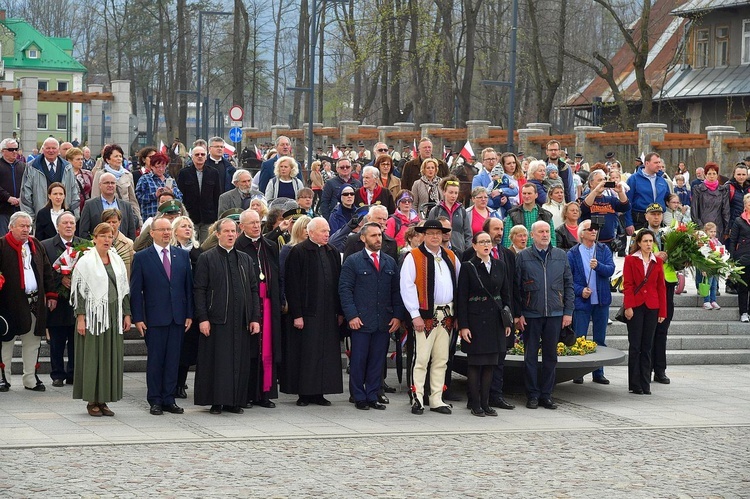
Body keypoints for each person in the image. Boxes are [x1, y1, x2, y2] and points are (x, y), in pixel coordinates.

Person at [193, 218, 261, 415]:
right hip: (217, 320)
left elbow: (253, 289)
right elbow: (200, 290)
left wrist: (254, 317)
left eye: (234, 231)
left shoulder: (245, 259)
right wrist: (203, 317)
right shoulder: (207, 258)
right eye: (227, 231)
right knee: (218, 362)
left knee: (239, 361)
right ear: (218, 234)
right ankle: (216, 401)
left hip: (241, 320)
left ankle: (235, 401)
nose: (231, 235)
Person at [130, 217, 194, 416]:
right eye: (162, 230)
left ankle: (169, 398)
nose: (166, 233)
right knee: (156, 360)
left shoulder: (181, 256)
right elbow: (136, 290)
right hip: (154, 318)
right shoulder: (142, 257)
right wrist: (138, 318)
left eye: (168, 229)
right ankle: (155, 399)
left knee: (173, 360)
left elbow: (188, 288)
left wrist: (189, 314)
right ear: (152, 233)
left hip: (177, 317)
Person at [339, 223, 405, 411]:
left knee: (377, 361)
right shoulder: (353, 261)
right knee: (359, 360)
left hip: (383, 320)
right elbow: (345, 290)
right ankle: (358, 395)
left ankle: (373, 394)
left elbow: (396, 292)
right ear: (363, 238)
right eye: (374, 235)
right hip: (361, 320)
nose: (378, 239)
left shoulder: (389, 262)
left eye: (380, 235)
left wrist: (398, 316)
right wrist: (351, 315)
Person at [399, 219, 460, 415]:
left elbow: (459, 283)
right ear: (423, 235)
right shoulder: (413, 257)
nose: (435, 237)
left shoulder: (451, 256)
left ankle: (436, 398)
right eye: (431, 233)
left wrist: (458, 312)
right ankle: (417, 398)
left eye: (438, 233)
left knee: (441, 359)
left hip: (447, 314)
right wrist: (414, 314)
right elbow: (407, 287)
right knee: (421, 358)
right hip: (424, 315)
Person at [70, 222, 130, 416]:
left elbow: (124, 290)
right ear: (94, 238)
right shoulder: (86, 261)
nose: (107, 239)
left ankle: (104, 399)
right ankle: (91, 400)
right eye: (102, 235)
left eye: (110, 236)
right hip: (93, 316)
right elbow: (79, 291)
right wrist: (81, 318)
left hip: (112, 315)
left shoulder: (117, 260)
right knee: (93, 357)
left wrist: (127, 314)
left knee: (109, 357)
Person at [283, 218, 344, 406]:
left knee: (325, 354)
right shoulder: (298, 252)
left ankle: (320, 392)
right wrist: (297, 314)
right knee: (306, 354)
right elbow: (292, 285)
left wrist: (340, 311)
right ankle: (304, 393)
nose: (327, 234)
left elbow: (339, 284)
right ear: (310, 232)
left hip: (328, 314)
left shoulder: (332, 252)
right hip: (307, 314)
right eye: (323, 231)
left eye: (328, 230)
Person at [514, 220, 574, 410]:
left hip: (555, 314)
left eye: (547, 231)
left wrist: (568, 312)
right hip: (531, 314)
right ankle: (532, 395)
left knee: (551, 357)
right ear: (532, 235)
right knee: (530, 356)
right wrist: (518, 314)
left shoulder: (560, 255)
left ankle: (546, 395)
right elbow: (516, 288)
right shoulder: (523, 257)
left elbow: (568, 285)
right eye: (541, 231)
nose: (545, 234)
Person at [456, 231, 512, 417]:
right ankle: (475, 402)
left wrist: (507, 320)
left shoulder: (500, 265)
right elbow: (461, 298)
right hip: (475, 320)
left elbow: (506, 295)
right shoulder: (468, 266)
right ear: (474, 245)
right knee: (475, 363)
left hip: (495, 320)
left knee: (490, 363)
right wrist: (463, 325)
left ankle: (486, 402)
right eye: (482, 242)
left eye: (488, 242)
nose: (486, 245)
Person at [0, 212, 57, 392]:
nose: (26, 229)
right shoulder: (1, 245)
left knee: (33, 342)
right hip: (8, 303)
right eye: (22, 226)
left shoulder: (36, 244)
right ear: (11, 227)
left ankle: (30, 378)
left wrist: (51, 294)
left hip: (34, 301)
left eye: (28, 226)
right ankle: (3, 378)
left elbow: (47, 270)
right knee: (5, 342)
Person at [235, 209, 282, 409]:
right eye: (251, 223)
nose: (256, 226)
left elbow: (277, 274)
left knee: (267, 349)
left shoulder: (269, 246)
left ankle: (264, 393)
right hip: (249, 304)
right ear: (241, 226)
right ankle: (245, 393)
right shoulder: (238, 246)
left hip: (268, 303)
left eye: (258, 222)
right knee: (250, 350)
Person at [568, 219, 615, 384]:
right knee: (580, 337)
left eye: (595, 229)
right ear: (582, 233)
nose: (594, 231)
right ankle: (578, 372)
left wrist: (599, 266)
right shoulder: (573, 253)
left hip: (601, 301)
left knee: (599, 338)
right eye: (590, 229)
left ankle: (598, 372)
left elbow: (611, 269)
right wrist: (581, 290)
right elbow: (568, 280)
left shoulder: (603, 249)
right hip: (582, 302)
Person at [622, 229, 667, 395]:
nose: (648, 244)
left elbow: (661, 287)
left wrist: (663, 311)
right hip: (636, 305)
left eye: (651, 241)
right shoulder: (630, 260)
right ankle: (635, 384)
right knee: (635, 345)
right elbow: (627, 285)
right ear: (639, 243)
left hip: (652, 307)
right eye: (645, 241)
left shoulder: (658, 262)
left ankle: (645, 382)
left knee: (647, 345)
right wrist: (628, 306)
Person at [41, 212, 82, 387]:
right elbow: (44, 271)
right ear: (58, 226)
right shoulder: (47, 245)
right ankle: (57, 374)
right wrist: (61, 279)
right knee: (56, 341)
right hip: (57, 301)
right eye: (65, 223)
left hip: (78, 301)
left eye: (72, 223)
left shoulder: (84, 245)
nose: (69, 226)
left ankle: (73, 373)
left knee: (75, 340)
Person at [21, 137, 80, 222]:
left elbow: (74, 192)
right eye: (48, 148)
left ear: (58, 150)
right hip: (40, 219)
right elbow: (25, 195)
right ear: (43, 149)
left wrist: (73, 216)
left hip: (64, 219)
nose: (51, 151)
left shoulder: (68, 167)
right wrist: (31, 219)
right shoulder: (32, 167)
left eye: (54, 148)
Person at [176, 146, 221, 242]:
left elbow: (217, 196)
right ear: (192, 157)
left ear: (206, 157)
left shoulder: (213, 173)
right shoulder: (184, 173)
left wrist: (216, 216)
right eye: (197, 154)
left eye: (202, 154)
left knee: (206, 246)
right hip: (190, 217)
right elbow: (180, 196)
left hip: (208, 217)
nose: (200, 156)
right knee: (190, 244)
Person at [79, 172, 139, 240]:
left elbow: (131, 232)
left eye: (113, 183)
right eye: (106, 183)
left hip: (122, 248)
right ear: (100, 185)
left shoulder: (126, 206)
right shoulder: (90, 205)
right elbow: (83, 232)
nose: (110, 185)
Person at [90, 144, 141, 225]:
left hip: (124, 216)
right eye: (116, 156)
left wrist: (139, 219)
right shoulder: (100, 174)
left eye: (120, 156)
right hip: (106, 216)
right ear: (108, 159)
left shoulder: (127, 175)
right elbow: (95, 196)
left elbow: (132, 199)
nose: (119, 159)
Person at [427, 176, 472, 258]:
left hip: (459, 251)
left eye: (456, 193)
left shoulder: (462, 211)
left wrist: (467, 251)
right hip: (439, 251)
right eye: (451, 192)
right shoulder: (436, 211)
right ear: (444, 192)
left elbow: (468, 233)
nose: (453, 196)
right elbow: (429, 231)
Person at [502, 183, 556, 248]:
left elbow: (552, 238)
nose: (526, 196)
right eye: (524, 193)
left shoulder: (546, 215)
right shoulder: (512, 214)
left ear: (536, 195)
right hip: (519, 253)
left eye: (529, 193)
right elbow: (508, 238)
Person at [626, 152, 670, 231]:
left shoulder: (662, 181)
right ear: (647, 163)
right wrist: (628, 223)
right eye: (656, 162)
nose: (659, 165)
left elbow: (668, 199)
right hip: (640, 220)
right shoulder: (633, 179)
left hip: (658, 220)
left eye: (659, 162)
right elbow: (627, 203)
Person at [135, 152, 183, 221]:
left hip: (169, 218)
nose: (160, 169)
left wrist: (172, 192)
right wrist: (155, 195)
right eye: (158, 167)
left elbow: (180, 198)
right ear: (152, 166)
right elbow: (138, 198)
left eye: (163, 167)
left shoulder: (170, 179)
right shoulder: (145, 179)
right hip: (151, 217)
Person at [692, 162, 730, 238]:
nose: (711, 176)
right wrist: (700, 227)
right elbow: (694, 210)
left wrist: (726, 230)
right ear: (705, 175)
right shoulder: (698, 190)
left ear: (717, 175)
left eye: (714, 173)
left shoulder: (723, 190)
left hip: (718, 228)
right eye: (709, 174)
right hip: (702, 227)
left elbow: (726, 211)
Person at [728, 193, 750, 322]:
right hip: (743, 258)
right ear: (745, 206)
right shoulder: (738, 221)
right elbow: (733, 240)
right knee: (743, 287)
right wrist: (732, 258)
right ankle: (743, 312)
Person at [0, 138, 24, 236]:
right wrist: (8, 198)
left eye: (16, 149)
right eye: (10, 150)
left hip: (19, 210)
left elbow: (27, 185)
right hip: (2, 210)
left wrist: (21, 198)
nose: (14, 152)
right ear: (3, 151)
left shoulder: (23, 166)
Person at [102, 208, 135, 278]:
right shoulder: (95, 244)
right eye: (108, 222)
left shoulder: (128, 243)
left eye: (114, 222)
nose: (111, 224)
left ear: (119, 222)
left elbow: (132, 268)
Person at [699, 222, 722, 310]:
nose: (713, 233)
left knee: (714, 285)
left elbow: (721, 250)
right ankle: (706, 301)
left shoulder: (717, 241)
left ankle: (713, 300)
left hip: (715, 267)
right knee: (707, 284)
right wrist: (703, 269)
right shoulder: (704, 242)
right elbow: (701, 255)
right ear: (706, 232)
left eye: (714, 231)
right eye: (711, 231)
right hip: (707, 267)